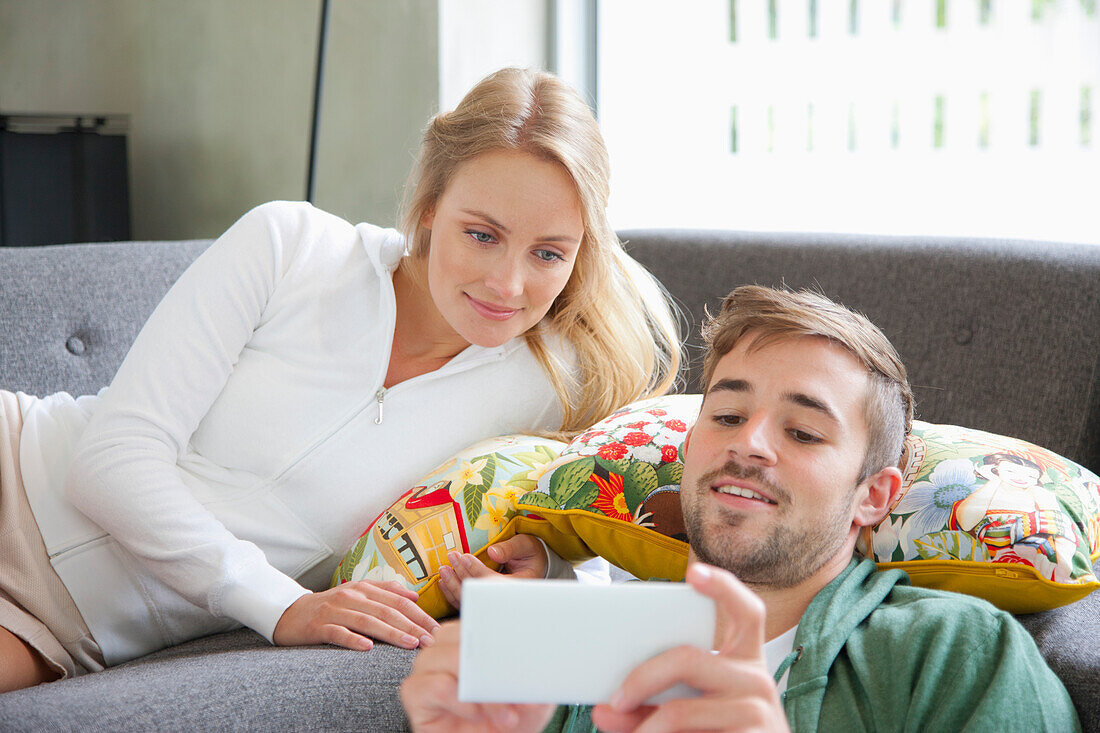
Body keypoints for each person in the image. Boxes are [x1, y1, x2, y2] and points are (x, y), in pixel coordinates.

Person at [0, 67, 681, 693]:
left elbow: (593, 551)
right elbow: (108, 460)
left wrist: (546, 569)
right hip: (18, 469)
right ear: (428, 207)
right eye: (481, 234)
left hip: (69, 629)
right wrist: (282, 603)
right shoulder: (291, 247)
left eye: (548, 253)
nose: (509, 283)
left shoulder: (551, 387)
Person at [399, 285, 1081, 732]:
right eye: (726, 414)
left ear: (874, 496)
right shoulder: (580, 657)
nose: (749, 443)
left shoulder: (954, 652)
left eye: (804, 431)